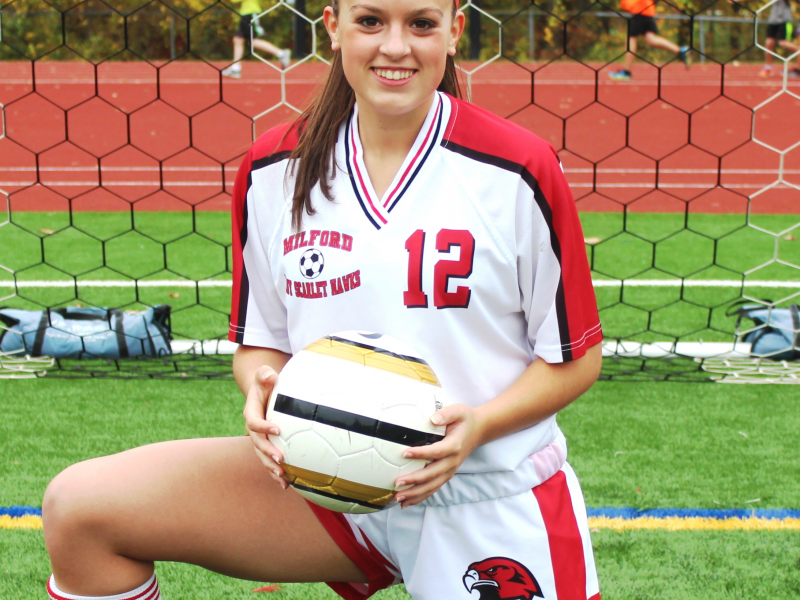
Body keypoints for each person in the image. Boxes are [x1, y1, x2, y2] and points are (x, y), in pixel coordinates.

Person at [41, 2, 605, 600]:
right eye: (370, 22)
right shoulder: (273, 168)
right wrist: (264, 388)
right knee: (80, 510)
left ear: (455, 32)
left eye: (420, 24)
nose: (395, 46)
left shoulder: (516, 169)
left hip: (483, 489)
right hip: (328, 478)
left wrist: (477, 428)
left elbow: (574, 357)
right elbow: (262, 341)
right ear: (332, 27)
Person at [610, 0, 690, 80]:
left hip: (640, 12)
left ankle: (626, 72)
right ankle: (680, 51)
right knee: (651, 39)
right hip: (647, 12)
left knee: (631, 39)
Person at [222, 0, 291, 79]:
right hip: (246, 14)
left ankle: (281, 53)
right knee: (238, 40)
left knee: (253, 41)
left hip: (250, 14)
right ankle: (235, 69)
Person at [759, 0, 794, 77]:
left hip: (784, 20)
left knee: (783, 43)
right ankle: (768, 67)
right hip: (773, 20)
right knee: (769, 43)